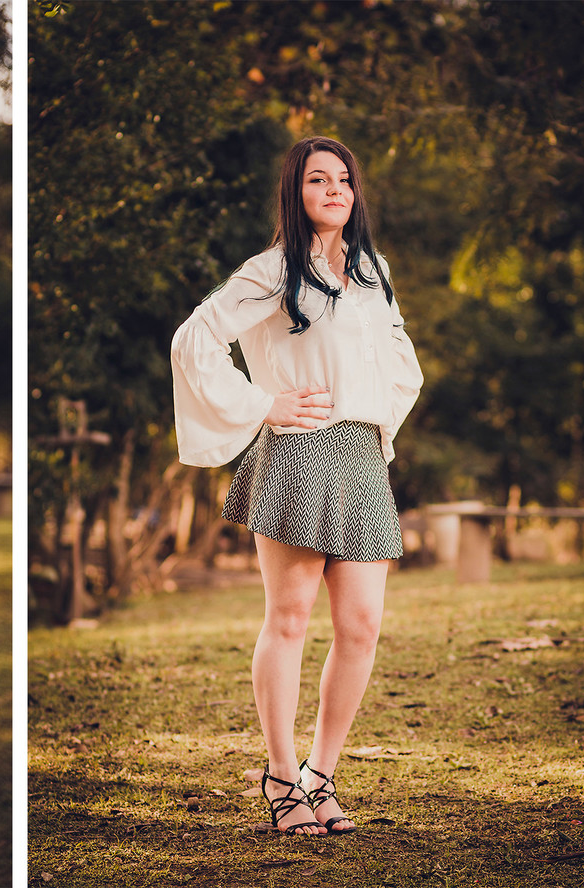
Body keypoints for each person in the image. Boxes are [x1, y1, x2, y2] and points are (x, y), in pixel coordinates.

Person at [170, 136, 423, 836]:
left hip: (360, 455)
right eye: (318, 179)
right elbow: (195, 339)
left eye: (344, 179)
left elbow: (401, 361)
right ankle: (281, 778)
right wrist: (264, 404)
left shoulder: (373, 272)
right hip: (299, 451)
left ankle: (320, 774)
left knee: (361, 627)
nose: (335, 190)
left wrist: (374, 423)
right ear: (295, 189)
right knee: (289, 619)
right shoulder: (272, 270)